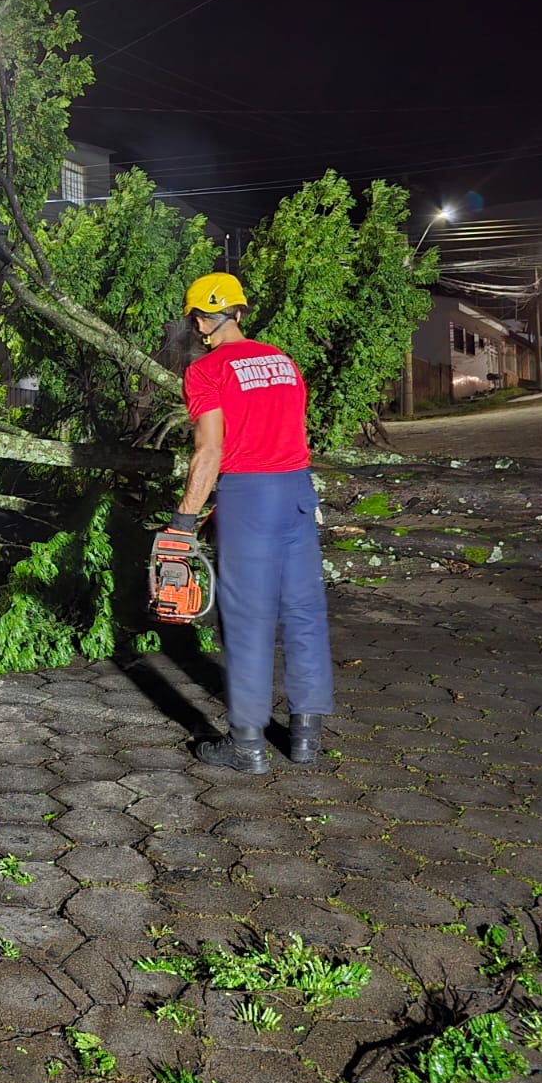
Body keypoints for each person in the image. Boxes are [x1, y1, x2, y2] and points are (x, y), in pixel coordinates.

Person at [166, 272, 334, 773]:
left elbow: (209, 451)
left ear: (200, 323)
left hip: (250, 497)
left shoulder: (206, 371)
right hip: (297, 491)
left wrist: (183, 521)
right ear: (239, 313)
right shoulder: (283, 362)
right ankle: (305, 739)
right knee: (304, 613)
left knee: (247, 622)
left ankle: (247, 746)